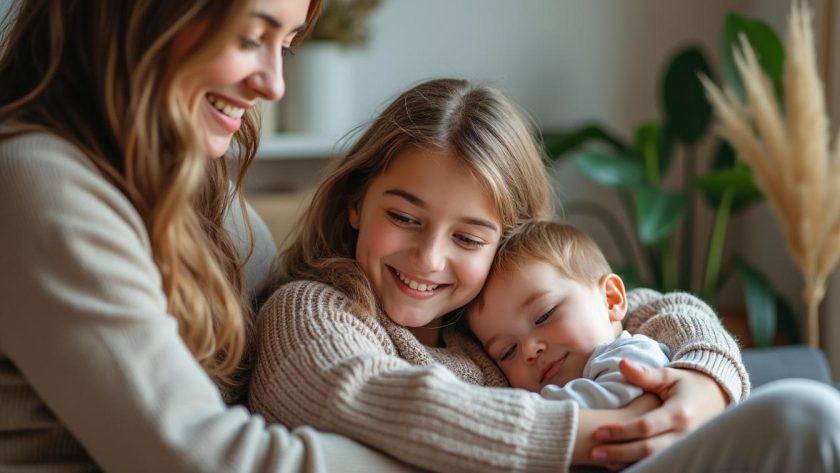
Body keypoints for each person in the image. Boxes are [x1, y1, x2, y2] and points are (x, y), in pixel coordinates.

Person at [249, 78, 840, 473]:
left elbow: (650, 305)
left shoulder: (482, 315)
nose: (428, 258)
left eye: (469, 238)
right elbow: (381, 399)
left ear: (502, 243)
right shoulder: (312, 308)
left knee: (810, 413)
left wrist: (704, 383)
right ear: (356, 203)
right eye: (403, 217)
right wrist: (617, 429)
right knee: (805, 417)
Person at [0, 1, 415, 471]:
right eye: (250, 37)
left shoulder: (199, 186)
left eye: (286, 48)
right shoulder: (38, 182)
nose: (274, 85)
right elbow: (204, 458)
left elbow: (301, 340)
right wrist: (472, 452)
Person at [467, 220, 671, 409]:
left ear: (611, 299)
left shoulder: (636, 355)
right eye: (508, 351)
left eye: (544, 315)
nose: (529, 349)